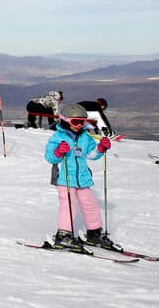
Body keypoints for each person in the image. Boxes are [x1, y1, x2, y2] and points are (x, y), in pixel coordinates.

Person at [44, 103, 115, 250]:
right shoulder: (57, 137)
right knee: (68, 205)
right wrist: (58, 152)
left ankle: (93, 233)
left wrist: (100, 148)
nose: (79, 125)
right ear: (65, 120)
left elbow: (91, 154)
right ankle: (64, 235)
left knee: (90, 205)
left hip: (82, 179)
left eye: (82, 122)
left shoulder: (85, 137)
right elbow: (50, 157)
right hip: (64, 179)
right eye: (76, 122)